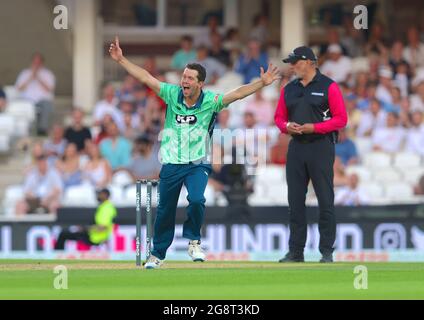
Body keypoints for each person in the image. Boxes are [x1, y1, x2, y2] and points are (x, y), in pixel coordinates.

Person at [109, 36, 280, 269]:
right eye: (183, 77)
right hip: (171, 162)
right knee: (165, 210)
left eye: (190, 78)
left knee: (197, 199)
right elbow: (146, 77)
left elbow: (237, 94)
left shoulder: (211, 101)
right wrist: (121, 60)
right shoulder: (171, 94)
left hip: (197, 163)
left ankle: (193, 241)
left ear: (200, 83)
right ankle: (157, 254)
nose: (184, 81)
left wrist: (261, 83)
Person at [274, 46, 348, 263]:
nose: (293, 65)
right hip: (296, 146)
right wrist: (288, 126)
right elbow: (279, 118)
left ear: (309, 62)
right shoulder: (289, 88)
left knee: (325, 199)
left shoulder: (329, 86)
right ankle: (296, 252)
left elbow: (341, 119)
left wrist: (313, 128)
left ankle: (326, 252)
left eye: (296, 62)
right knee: (295, 201)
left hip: (320, 146)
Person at [15, 53, 56, 135]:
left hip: (43, 100)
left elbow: (49, 89)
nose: (36, 64)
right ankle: (26, 131)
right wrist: (30, 77)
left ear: (42, 63)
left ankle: (42, 130)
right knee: (22, 106)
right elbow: (19, 89)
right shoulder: (25, 73)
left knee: (47, 105)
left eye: (38, 62)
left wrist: (38, 77)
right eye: (35, 62)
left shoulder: (48, 74)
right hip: (27, 100)